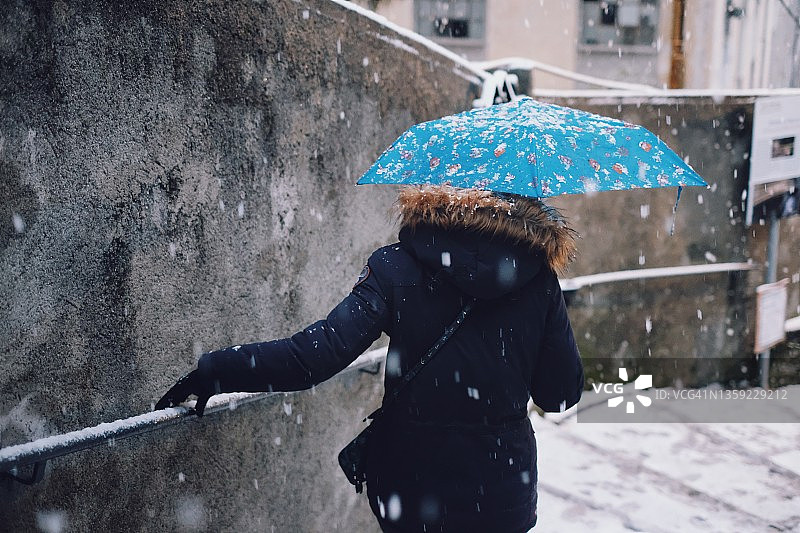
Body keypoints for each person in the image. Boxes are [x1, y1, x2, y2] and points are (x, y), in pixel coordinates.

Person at [156, 184, 584, 532]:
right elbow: (560, 396)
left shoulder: (399, 265)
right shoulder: (537, 280)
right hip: (500, 492)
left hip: (411, 488)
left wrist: (216, 370)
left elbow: (312, 358)